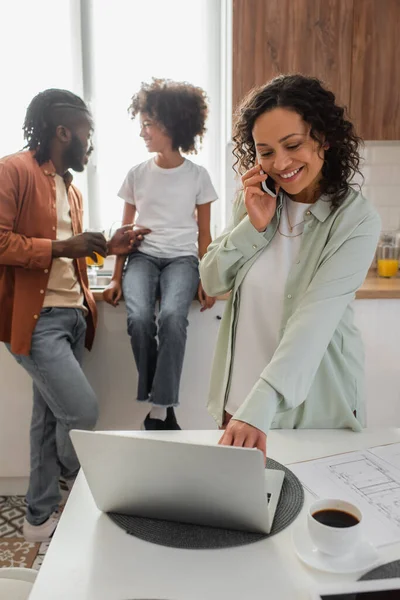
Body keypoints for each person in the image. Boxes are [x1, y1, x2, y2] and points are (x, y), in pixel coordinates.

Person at [200, 74, 381, 458]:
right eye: (265, 152)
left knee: (307, 515)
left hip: (310, 408)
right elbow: (212, 281)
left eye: (293, 145)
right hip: (241, 405)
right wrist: (253, 225)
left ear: (325, 138)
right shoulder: (255, 200)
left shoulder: (356, 220)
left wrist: (260, 405)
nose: (280, 163)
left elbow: (312, 324)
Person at [0, 88, 148, 542]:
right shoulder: (12, 171)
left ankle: (38, 516)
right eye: (87, 132)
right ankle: (75, 474)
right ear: (63, 131)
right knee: (81, 412)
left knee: (47, 419)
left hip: (73, 318)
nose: (91, 142)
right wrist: (67, 246)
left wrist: (109, 245)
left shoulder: (71, 187)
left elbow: (72, 254)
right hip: (34, 320)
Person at [104, 78, 218, 430]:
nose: (143, 133)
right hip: (142, 258)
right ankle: (163, 406)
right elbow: (123, 236)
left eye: (148, 125)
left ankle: (158, 408)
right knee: (138, 318)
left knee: (172, 318)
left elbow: (204, 234)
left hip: (183, 261)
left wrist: (208, 279)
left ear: (171, 125)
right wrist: (114, 276)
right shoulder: (136, 174)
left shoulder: (197, 176)